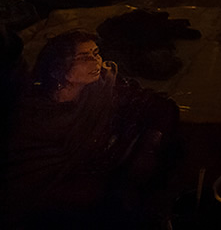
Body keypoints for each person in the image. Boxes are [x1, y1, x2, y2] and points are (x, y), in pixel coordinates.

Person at [1, 30, 178, 228]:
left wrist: (148, 152)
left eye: (96, 53)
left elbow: (161, 106)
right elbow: (29, 178)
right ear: (57, 69)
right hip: (57, 199)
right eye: (85, 57)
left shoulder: (102, 88)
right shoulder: (33, 115)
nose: (97, 62)